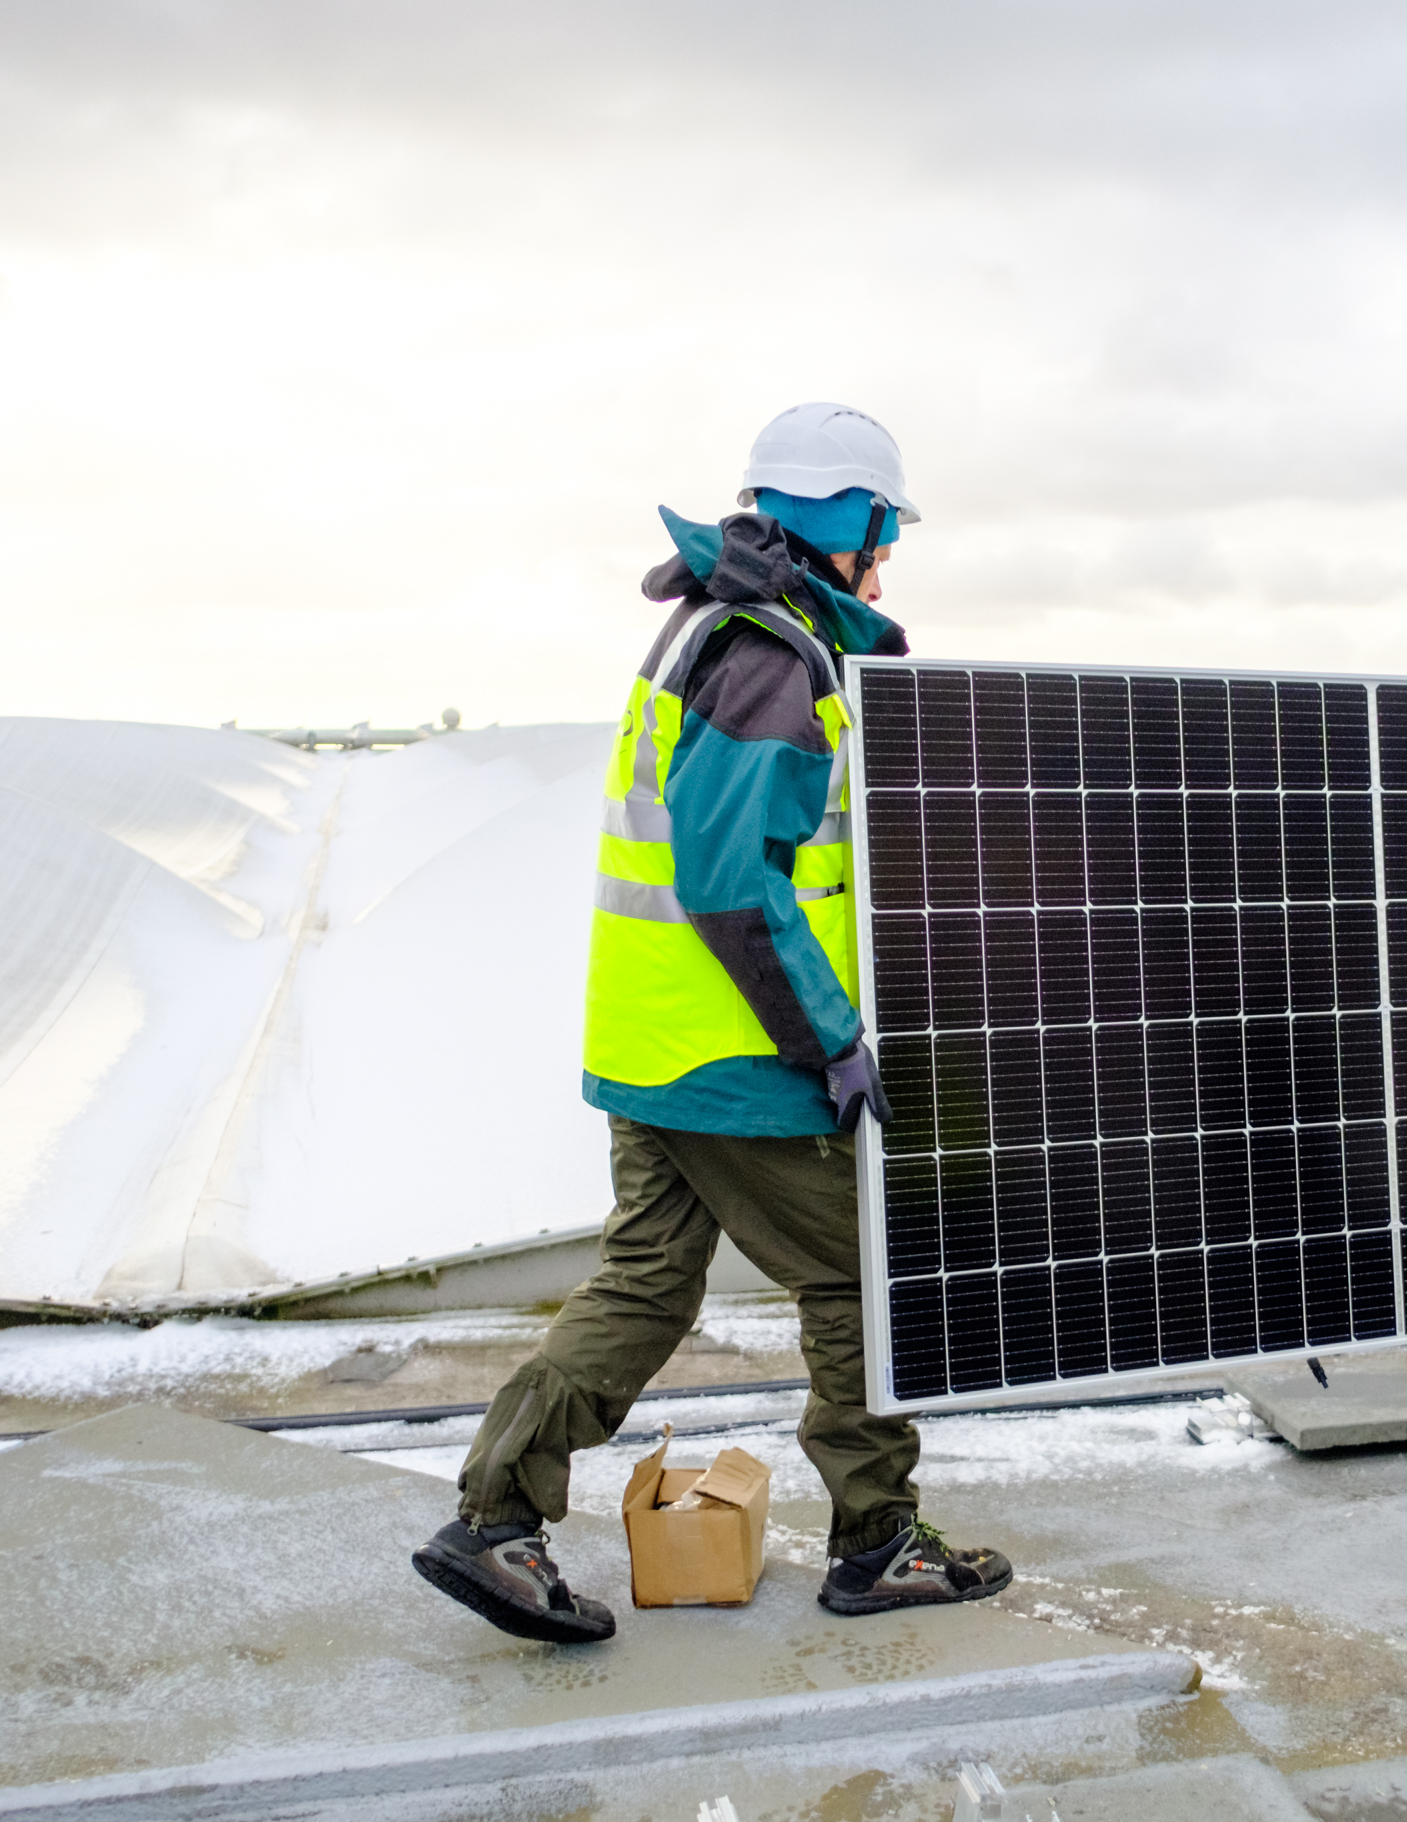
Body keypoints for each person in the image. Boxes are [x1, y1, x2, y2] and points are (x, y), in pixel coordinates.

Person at [412, 402, 1016, 1642]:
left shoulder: (709, 625)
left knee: (647, 1281)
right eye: (886, 534)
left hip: (655, 1044)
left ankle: (495, 1518)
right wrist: (830, 1039)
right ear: (847, 519)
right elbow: (734, 877)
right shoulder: (771, 655)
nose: (887, 564)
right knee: (861, 1274)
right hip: (738, 1052)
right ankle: (878, 1539)